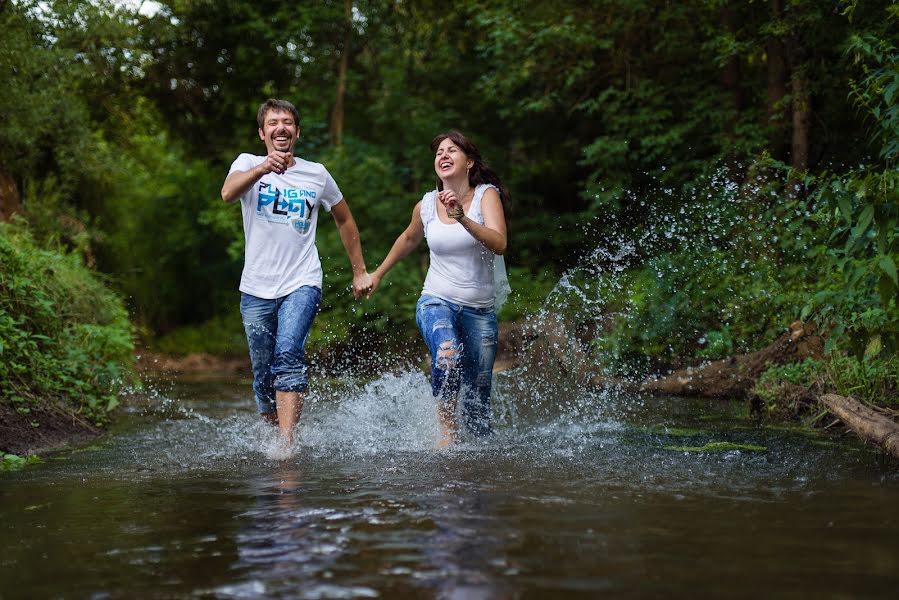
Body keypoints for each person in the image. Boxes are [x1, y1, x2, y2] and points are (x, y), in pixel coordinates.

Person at [221, 98, 372, 444]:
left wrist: (359, 271)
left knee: (288, 352)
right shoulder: (247, 165)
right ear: (262, 133)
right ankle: (273, 436)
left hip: (302, 280)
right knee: (262, 374)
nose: (281, 128)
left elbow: (344, 217)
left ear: (297, 132)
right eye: (273, 123)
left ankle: (287, 445)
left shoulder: (316, 174)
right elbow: (228, 194)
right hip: (256, 285)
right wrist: (263, 169)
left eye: (287, 122)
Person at [369, 131, 511, 448]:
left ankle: (476, 459)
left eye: (452, 151)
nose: (443, 156)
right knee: (446, 355)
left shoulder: (486, 195)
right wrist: (377, 273)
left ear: (469, 161)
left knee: (478, 407)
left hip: (479, 311)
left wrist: (462, 219)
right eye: (438, 153)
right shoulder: (427, 205)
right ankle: (446, 434)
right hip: (436, 300)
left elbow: (499, 243)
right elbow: (408, 239)